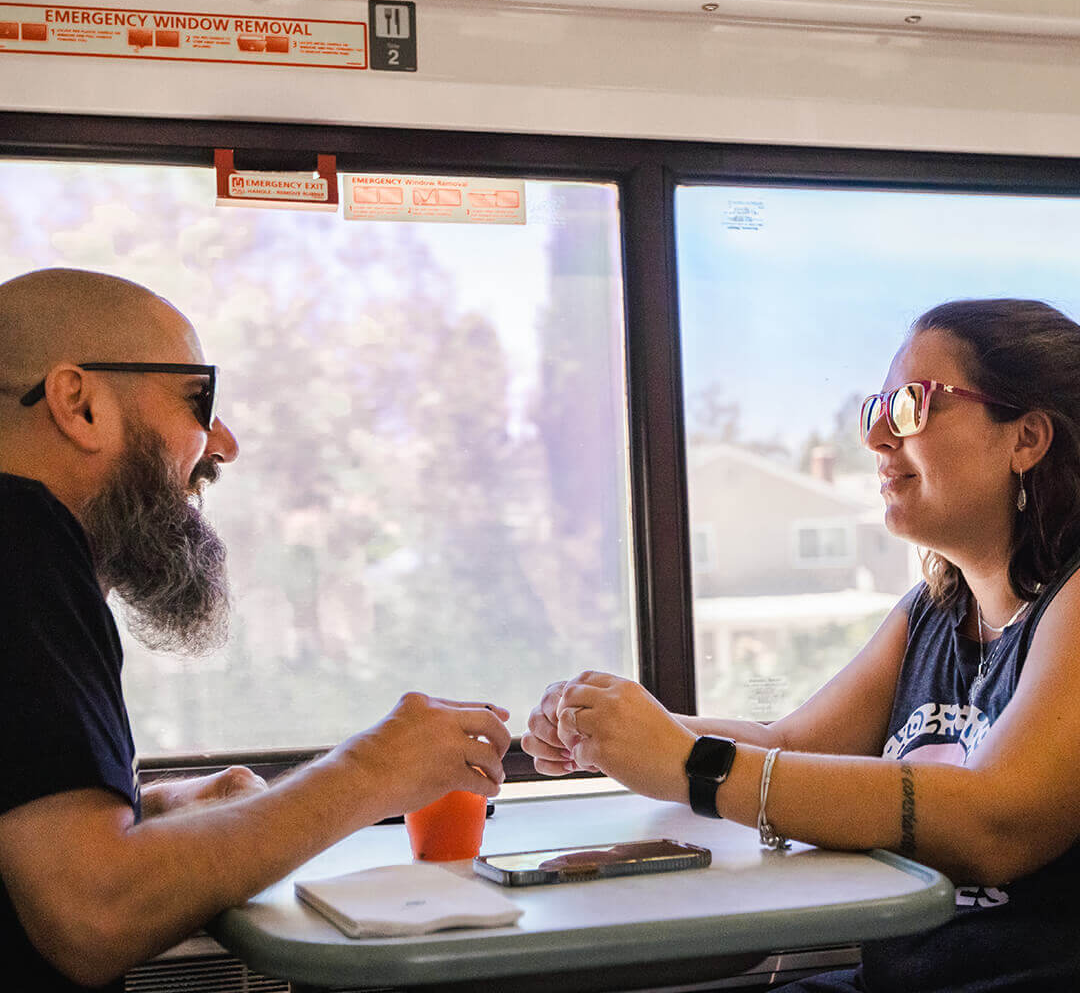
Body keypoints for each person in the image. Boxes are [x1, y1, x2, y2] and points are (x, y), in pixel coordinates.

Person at [523, 298, 1080, 992]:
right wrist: (609, 728)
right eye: (873, 413)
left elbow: (995, 821)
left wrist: (693, 765)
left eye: (909, 407)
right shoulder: (934, 612)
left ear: (1026, 439)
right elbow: (792, 744)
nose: (878, 440)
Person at [0, 268, 511, 992]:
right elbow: (93, 915)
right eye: (197, 398)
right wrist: (371, 772)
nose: (225, 442)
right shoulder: (21, 544)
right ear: (79, 405)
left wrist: (153, 812)